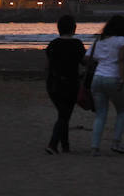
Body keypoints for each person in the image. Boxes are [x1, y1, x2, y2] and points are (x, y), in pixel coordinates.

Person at [87, 15, 124, 156]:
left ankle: (95, 147)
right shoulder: (122, 40)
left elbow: (87, 58)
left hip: (97, 78)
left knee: (100, 114)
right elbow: (122, 61)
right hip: (113, 77)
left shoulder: (99, 40)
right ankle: (116, 142)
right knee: (122, 111)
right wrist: (122, 79)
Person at [45, 14, 86, 154]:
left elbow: (49, 64)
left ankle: (65, 146)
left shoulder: (53, 44)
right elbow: (84, 62)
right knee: (64, 115)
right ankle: (52, 144)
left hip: (52, 84)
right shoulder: (77, 44)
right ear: (74, 28)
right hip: (70, 84)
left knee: (63, 114)